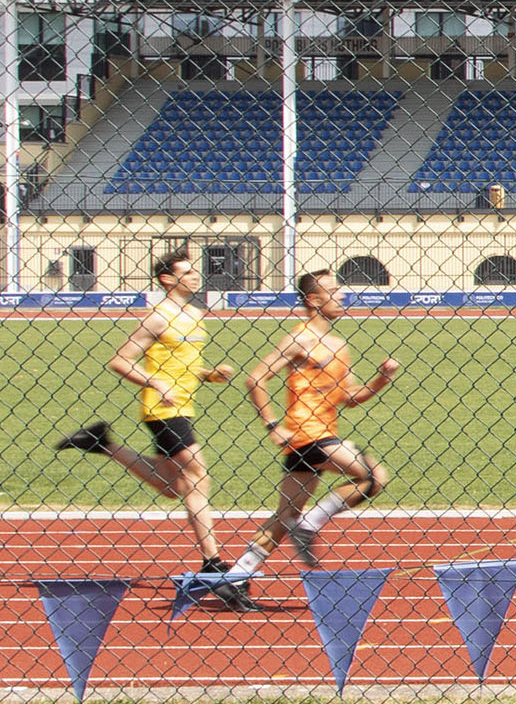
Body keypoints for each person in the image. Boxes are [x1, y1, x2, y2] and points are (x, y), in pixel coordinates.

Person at [54, 249, 253, 609]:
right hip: (161, 408)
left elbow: (184, 364)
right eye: (187, 272)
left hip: (184, 406)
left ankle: (101, 443)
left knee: (171, 486)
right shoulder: (157, 318)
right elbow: (120, 360)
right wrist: (156, 383)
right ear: (167, 279)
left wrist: (209, 375)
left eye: (195, 272)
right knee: (197, 478)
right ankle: (213, 565)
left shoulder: (195, 315)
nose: (195, 277)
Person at [228, 268, 398, 579]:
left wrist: (381, 380)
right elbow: (255, 379)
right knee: (374, 477)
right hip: (307, 433)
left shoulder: (337, 345)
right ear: (314, 300)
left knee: (285, 514)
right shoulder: (299, 338)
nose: (342, 295)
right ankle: (310, 525)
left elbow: (350, 396)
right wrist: (272, 425)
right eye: (333, 291)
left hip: (320, 434)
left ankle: (237, 576)